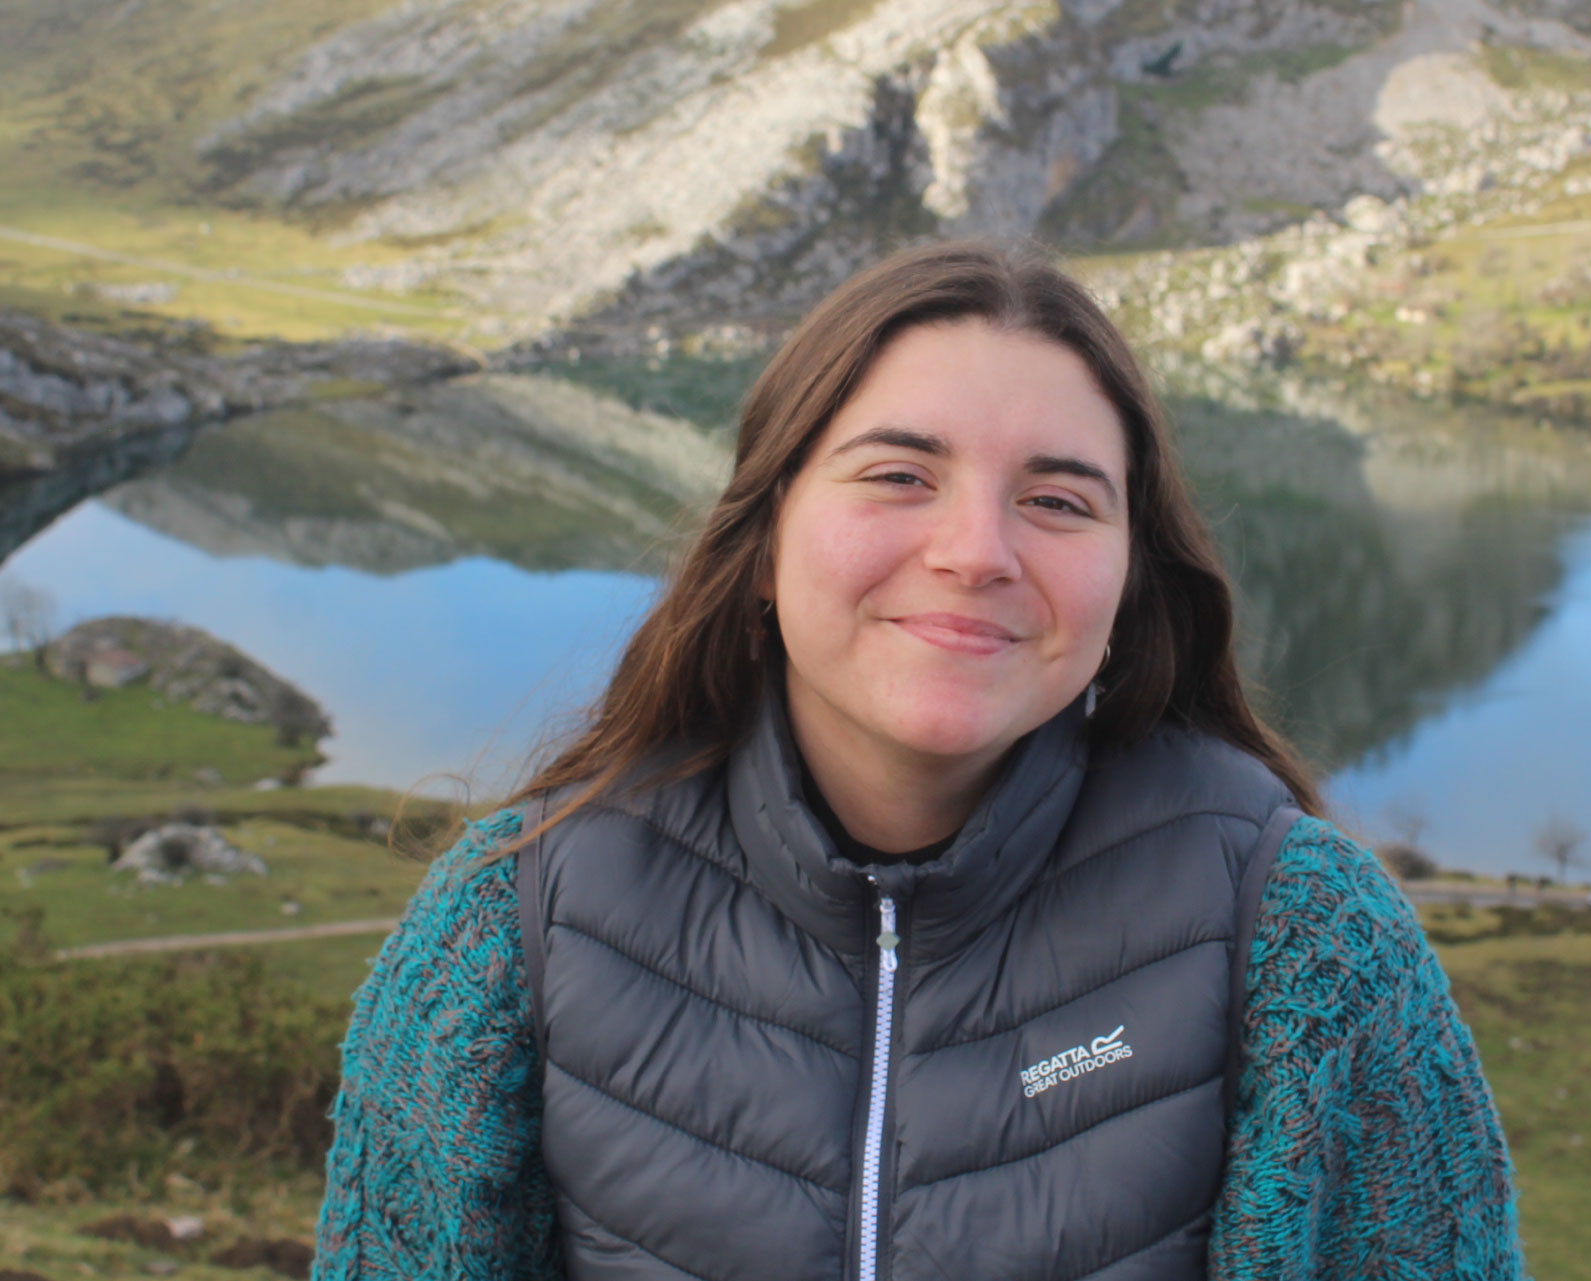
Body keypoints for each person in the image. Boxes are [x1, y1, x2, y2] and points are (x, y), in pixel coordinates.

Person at [312, 241, 1524, 1280]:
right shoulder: (508, 926)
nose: (975, 551)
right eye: (900, 476)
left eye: (1059, 501)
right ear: (766, 533)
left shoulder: (1304, 939)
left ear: (1128, 579)